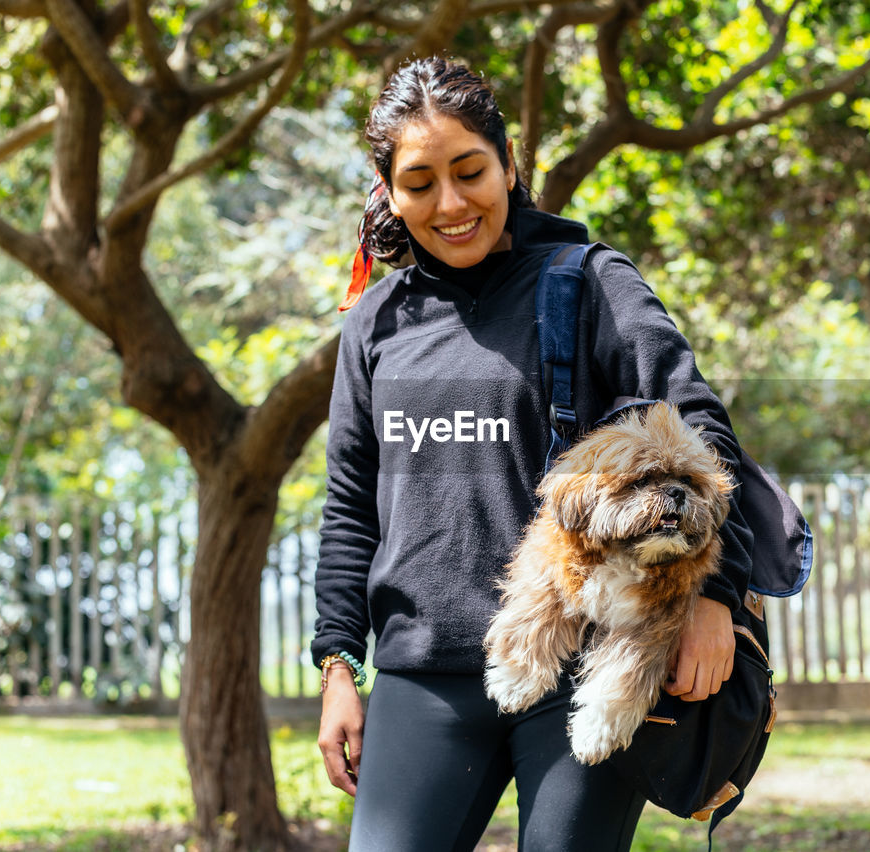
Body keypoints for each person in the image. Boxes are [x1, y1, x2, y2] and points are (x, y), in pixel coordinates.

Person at [311, 56, 753, 852]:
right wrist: (339, 664)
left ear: (509, 165)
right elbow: (349, 505)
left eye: (470, 170)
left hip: (584, 656)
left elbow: (702, 430)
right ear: (389, 191)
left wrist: (715, 596)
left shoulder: (589, 282)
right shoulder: (374, 325)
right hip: (423, 672)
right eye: (419, 182)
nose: (449, 203)